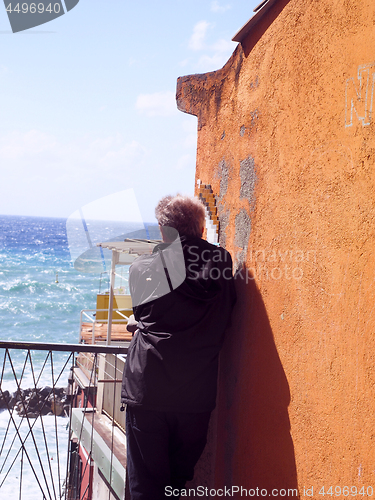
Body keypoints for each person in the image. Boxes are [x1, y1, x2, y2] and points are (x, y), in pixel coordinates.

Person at [121, 194, 236, 500]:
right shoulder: (223, 264)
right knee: (176, 485)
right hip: (195, 394)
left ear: (163, 231)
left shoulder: (142, 267)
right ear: (201, 229)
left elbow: (147, 316)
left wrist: (137, 325)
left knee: (145, 486)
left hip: (149, 389)